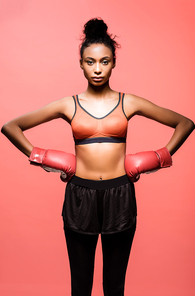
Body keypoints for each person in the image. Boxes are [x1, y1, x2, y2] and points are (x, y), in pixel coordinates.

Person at [1, 18, 194, 296]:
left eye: (104, 61)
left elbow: (185, 123)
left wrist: (156, 158)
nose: (97, 69)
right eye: (90, 62)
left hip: (120, 194)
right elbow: (11, 127)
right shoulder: (69, 104)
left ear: (114, 62)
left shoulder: (129, 102)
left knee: (114, 286)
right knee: (80, 286)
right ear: (80, 63)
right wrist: (45, 159)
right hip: (80, 194)